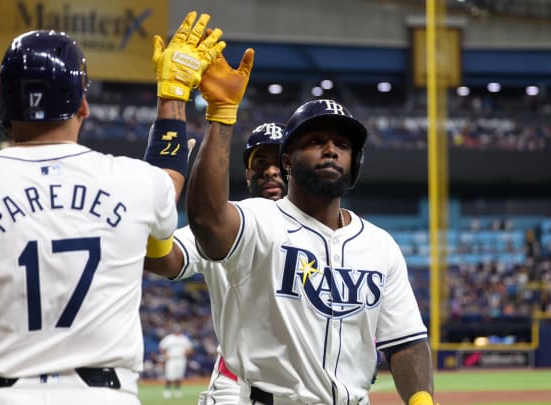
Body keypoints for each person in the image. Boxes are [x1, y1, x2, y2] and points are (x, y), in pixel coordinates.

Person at [0, 11, 225, 405]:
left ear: (3, 110)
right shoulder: (135, 183)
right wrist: (173, 94)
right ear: (83, 105)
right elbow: (169, 175)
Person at [185, 47, 437, 404]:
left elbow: (406, 341)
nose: (331, 150)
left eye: (342, 144)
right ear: (287, 161)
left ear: (355, 164)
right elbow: (206, 221)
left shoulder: (380, 246)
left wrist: (421, 400)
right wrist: (222, 116)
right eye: (315, 141)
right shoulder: (261, 219)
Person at [159, 122, 287, 405]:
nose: (271, 170)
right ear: (248, 174)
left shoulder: (326, 230)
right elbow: (165, 259)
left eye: (280, 161)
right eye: (260, 163)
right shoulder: (222, 224)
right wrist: (161, 195)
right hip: (237, 388)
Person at [158, 324, 193, 399]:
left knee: (179, 376)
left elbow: (190, 349)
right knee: (169, 375)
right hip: (171, 359)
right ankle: (167, 391)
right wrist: (166, 354)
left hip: (181, 359)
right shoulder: (169, 338)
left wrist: (186, 352)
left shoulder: (184, 338)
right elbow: (161, 347)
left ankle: (177, 391)